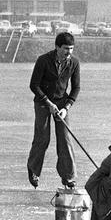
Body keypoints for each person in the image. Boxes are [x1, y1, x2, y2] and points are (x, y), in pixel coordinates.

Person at [27, 32, 80, 189]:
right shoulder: (43, 60)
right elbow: (34, 85)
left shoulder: (74, 63)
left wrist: (66, 107)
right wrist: (48, 103)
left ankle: (69, 177)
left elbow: (76, 87)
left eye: (71, 48)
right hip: (43, 103)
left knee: (65, 139)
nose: (68, 52)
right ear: (57, 47)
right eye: (65, 48)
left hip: (62, 104)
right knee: (42, 138)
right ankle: (33, 170)